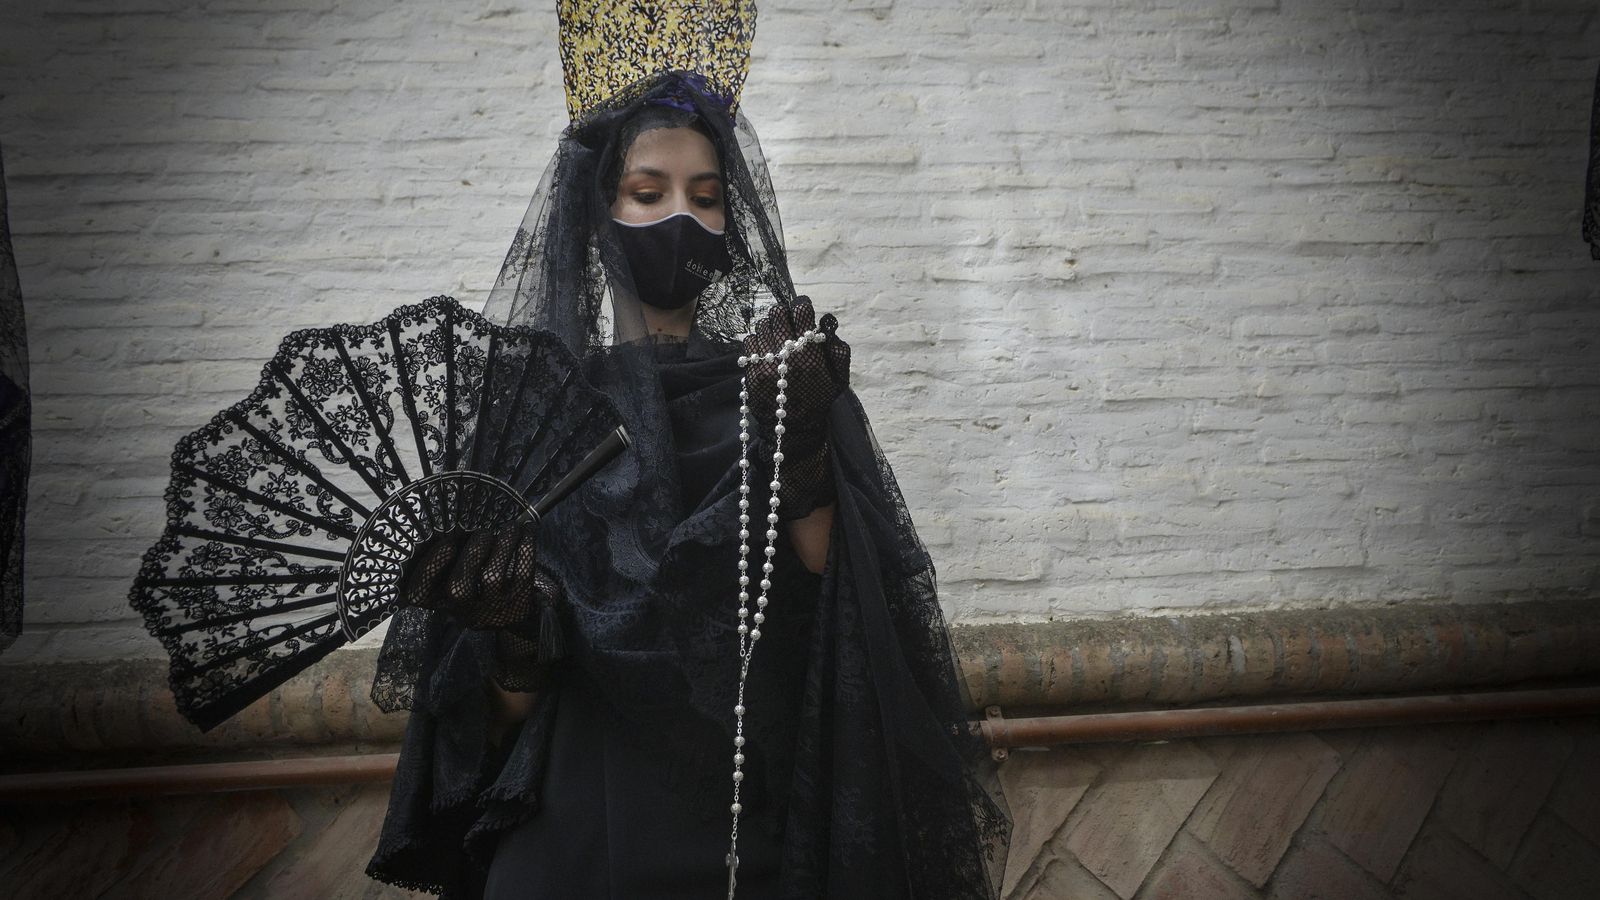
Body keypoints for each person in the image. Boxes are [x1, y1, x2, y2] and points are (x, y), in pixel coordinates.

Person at [364, 7, 1009, 899]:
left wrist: (808, 450)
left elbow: (840, 621)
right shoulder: (532, 421)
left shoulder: (781, 384)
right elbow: (489, 731)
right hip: (570, 841)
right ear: (599, 214)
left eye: (706, 198)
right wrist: (510, 630)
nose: (679, 217)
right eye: (648, 191)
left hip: (749, 841)